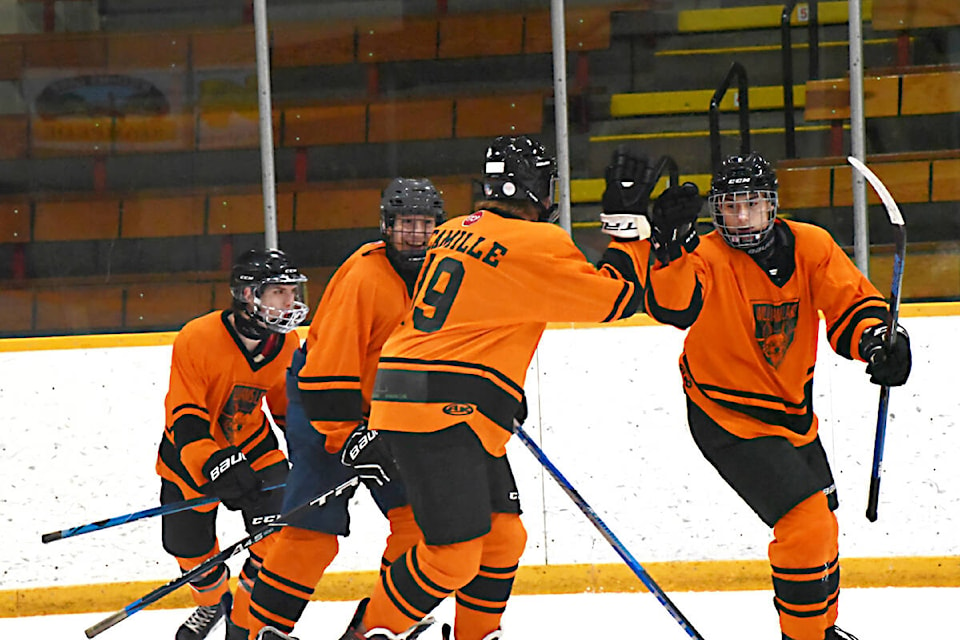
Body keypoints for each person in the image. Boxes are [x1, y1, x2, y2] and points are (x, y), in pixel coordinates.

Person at [333, 135, 654, 640]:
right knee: (452, 557)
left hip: (427, 396)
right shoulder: (537, 242)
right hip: (442, 407)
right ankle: (368, 634)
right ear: (535, 188)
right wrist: (630, 232)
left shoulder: (456, 229)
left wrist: (498, 387)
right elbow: (615, 300)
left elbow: (481, 311)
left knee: (503, 537)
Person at [640, 150, 912, 640]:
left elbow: (852, 304)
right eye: (729, 207)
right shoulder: (703, 256)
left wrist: (879, 341)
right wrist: (667, 250)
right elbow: (673, 306)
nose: (740, 217)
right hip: (727, 417)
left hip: (792, 413)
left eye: (751, 204)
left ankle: (821, 629)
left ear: (772, 206)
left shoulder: (811, 245)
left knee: (823, 525)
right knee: (806, 525)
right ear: (715, 211)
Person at [246, 178, 446, 640]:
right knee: (313, 533)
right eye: (405, 224)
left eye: (425, 224)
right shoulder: (363, 277)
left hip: (392, 414)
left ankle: (376, 627)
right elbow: (325, 370)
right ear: (386, 226)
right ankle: (263, 629)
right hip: (326, 410)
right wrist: (347, 436)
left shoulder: (443, 273)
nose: (415, 235)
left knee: (419, 522)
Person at [155, 248, 309, 640]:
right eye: (278, 292)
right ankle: (212, 604)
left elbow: (289, 410)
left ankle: (243, 619)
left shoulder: (287, 344)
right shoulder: (198, 337)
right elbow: (185, 414)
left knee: (277, 538)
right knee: (189, 553)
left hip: (255, 448)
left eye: (292, 291)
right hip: (191, 457)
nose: (290, 302)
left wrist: (314, 460)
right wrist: (213, 463)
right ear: (246, 295)